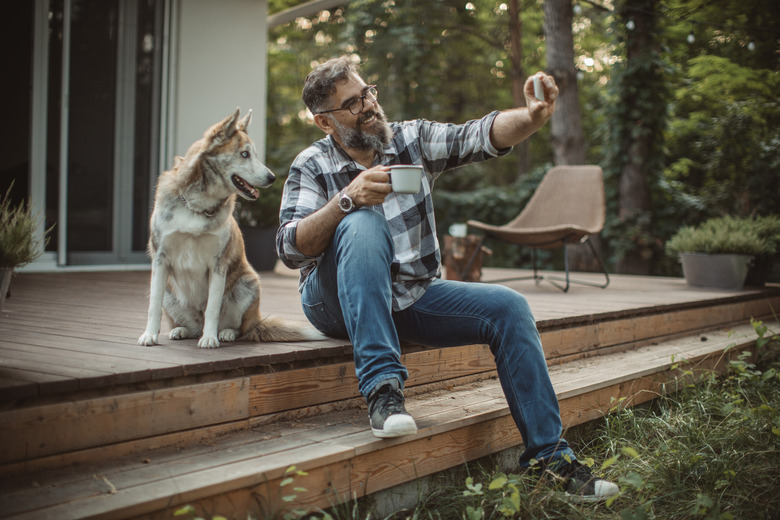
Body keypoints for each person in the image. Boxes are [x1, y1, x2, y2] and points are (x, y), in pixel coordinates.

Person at [276, 56, 619, 502]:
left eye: (369, 93)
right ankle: (383, 392)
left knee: (509, 307)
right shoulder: (311, 164)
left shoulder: (410, 139)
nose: (369, 106)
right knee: (363, 224)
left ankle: (550, 460)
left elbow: (478, 135)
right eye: (353, 103)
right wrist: (346, 200)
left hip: (410, 295)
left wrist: (532, 116)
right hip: (334, 302)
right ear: (325, 121)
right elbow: (287, 247)